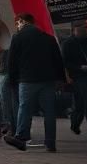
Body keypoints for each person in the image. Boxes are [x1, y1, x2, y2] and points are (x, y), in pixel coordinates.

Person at [5, 14, 65, 152]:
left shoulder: (18, 37)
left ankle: (21, 137)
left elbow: (12, 61)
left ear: (22, 22)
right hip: (48, 79)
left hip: (27, 79)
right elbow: (58, 60)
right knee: (49, 111)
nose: (17, 26)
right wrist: (60, 79)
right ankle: (50, 143)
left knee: (24, 108)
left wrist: (12, 80)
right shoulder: (48, 38)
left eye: (18, 23)